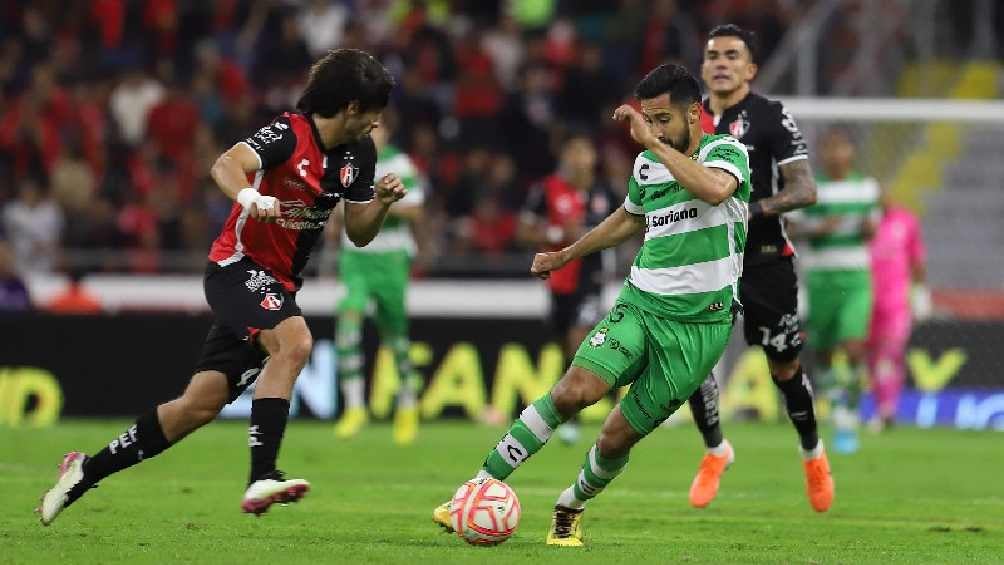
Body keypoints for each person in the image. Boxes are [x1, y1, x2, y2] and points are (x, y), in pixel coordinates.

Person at [36, 49, 404, 526]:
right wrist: (252, 195)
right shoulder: (290, 133)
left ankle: (85, 470)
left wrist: (383, 203)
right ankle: (262, 474)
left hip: (278, 284)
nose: (378, 124)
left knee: (197, 406)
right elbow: (226, 165)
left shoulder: (360, 154)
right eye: (374, 112)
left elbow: (358, 232)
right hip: (236, 268)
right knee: (295, 344)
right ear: (353, 106)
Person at [433, 63, 751, 546]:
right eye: (649, 119)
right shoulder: (648, 164)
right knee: (573, 390)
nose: (654, 128)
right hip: (642, 304)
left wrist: (654, 144)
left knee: (616, 435)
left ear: (694, 112)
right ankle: (479, 485)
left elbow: (712, 189)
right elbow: (628, 218)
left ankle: (571, 504)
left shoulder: (727, 153)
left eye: (663, 119)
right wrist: (567, 254)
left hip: (699, 328)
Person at [686, 24, 833, 512]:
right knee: (692, 362)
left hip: (765, 260)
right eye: (713, 55)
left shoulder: (770, 116)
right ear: (703, 67)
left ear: (750, 68)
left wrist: (754, 209)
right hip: (705, 259)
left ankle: (812, 454)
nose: (721, 63)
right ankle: (715, 451)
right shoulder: (688, 119)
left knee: (784, 366)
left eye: (732, 55)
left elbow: (805, 190)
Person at [516, 130, 618, 445]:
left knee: (578, 343)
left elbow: (626, 227)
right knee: (567, 349)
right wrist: (557, 231)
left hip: (592, 277)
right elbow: (523, 231)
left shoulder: (607, 193)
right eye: (572, 152)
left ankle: (573, 419)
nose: (578, 159)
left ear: (593, 158)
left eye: (584, 152)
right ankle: (614, 396)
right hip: (560, 281)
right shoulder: (546, 190)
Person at [332, 121, 426, 445]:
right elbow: (335, 209)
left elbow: (415, 209)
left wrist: (379, 204)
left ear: (386, 132)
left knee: (395, 336)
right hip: (355, 258)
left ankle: (407, 406)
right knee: (348, 320)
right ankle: (355, 406)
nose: (372, 134)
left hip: (390, 260)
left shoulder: (400, 164)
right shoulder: (345, 158)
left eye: (378, 128)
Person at [789, 128, 880, 453]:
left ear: (851, 152)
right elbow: (792, 228)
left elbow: (872, 229)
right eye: (829, 148)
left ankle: (849, 413)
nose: (835, 154)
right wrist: (818, 228)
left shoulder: (866, 188)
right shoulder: (811, 190)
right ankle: (836, 401)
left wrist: (869, 229)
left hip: (856, 278)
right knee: (824, 351)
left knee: (854, 347)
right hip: (821, 278)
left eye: (841, 147)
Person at [867, 185, 928, 431]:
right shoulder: (863, 223)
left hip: (895, 303)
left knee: (890, 354)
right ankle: (879, 406)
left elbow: (917, 260)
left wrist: (921, 293)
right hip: (865, 299)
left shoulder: (906, 221)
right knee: (870, 358)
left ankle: (888, 409)